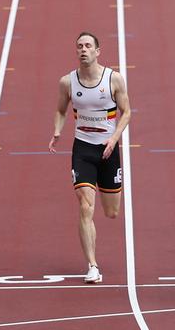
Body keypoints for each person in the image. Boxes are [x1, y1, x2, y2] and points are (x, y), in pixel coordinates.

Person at [48, 32, 131, 283]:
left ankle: (93, 260)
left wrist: (114, 139)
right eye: (79, 46)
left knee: (112, 212)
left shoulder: (113, 79)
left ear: (98, 51)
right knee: (85, 206)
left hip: (108, 149)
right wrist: (57, 130)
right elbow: (61, 110)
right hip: (83, 149)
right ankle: (92, 265)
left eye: (88, 46)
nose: (83, 50)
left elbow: (126, 113)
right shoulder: (68, 82)